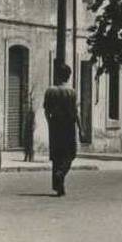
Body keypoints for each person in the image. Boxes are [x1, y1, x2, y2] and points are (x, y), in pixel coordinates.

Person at [44, 62, 79, 196]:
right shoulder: (71, 92)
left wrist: (49, 123)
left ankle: (58, 186)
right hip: (69, 126)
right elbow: (76, 112)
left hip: (55, 126)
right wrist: (81, 128)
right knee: (70, 154)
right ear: (68, 76)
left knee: (56, 156)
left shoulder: (50, 91)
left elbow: (46, 111)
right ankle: (62, 173)